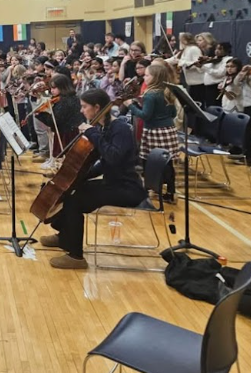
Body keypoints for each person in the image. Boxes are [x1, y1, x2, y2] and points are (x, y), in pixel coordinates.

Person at [40, 89, 147, 269]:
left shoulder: (119, 128)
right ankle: (64, 237)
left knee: (76, 201)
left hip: (128, 189)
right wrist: (76, 176)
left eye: (84, 107)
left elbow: (113, 157)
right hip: (113, 183)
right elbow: (104, 164)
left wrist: (93, 133)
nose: (82, 111)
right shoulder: (105, 127)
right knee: (71, 190)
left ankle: (76, 256)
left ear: (97, 107)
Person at [125, 64, 179, 203]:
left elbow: (145, 115)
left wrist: (130, 105)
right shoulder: (168, 91)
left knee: (151, 161)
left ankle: (153, 188)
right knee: (168, 162)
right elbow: (173, 113)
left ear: (155, 78)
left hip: (154, 131)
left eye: (147, 75)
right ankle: (171, 192)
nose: (144, 77)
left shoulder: (150, 94)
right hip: (169, 131)